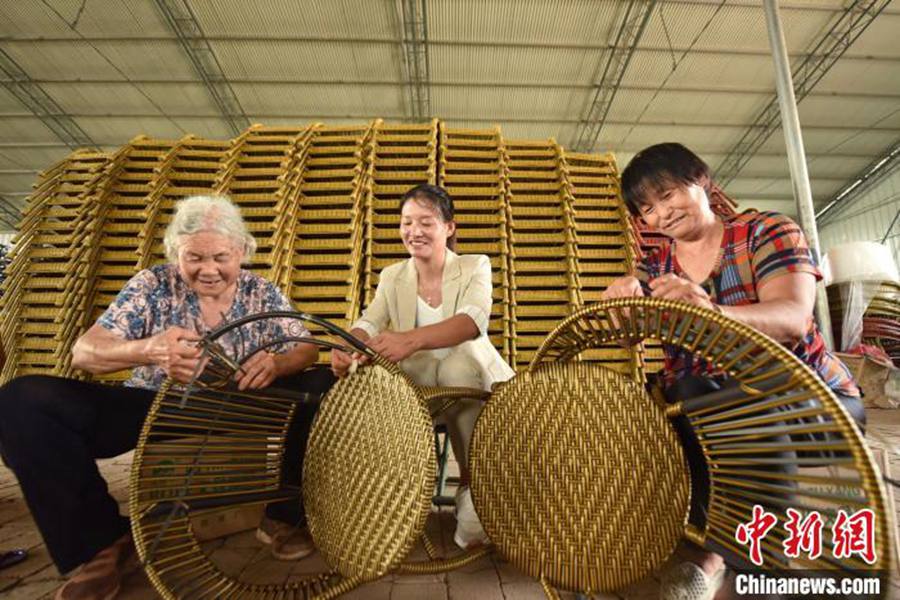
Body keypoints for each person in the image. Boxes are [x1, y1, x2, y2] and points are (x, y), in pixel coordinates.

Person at [0, 195, 334, 600]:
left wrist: (278, 364)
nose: (208, 270)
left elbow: (307, 347)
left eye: (221, 257)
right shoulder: (151, 284)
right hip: (153, 403)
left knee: (321, 384)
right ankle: (100, 545)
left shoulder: (261, 291)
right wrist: (151, 349)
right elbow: (85, 352)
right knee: (23, 401)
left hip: (241, 404)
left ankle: (284, 515)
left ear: (243, 251)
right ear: (175, 251)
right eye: (194, 257)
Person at [603, 143, 864, 600]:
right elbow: (630, 337)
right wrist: (621, 302)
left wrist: (711, 310)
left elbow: (793, 320)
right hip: (711, 403)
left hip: (810, 399)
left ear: (700, 181)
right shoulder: (657, 265)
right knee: (674, 404)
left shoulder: (766, 231)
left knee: (733, 414)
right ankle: (715, 553)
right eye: (647, 209)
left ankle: (746, 566)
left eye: (667, 195)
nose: (661, 214)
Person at [331, 183, 515, 549]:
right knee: (375, 377)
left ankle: (472, 484)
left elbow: (472, 321)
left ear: (449, 227)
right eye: (407, 222)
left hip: (471, 379)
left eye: (426, 222)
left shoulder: (473, 265)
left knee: (459, 365)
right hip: (420, 385)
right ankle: (393, 491)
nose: (414, 231)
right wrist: (348, 343)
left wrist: (408, 339)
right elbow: (371, 320)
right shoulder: (392, 276)